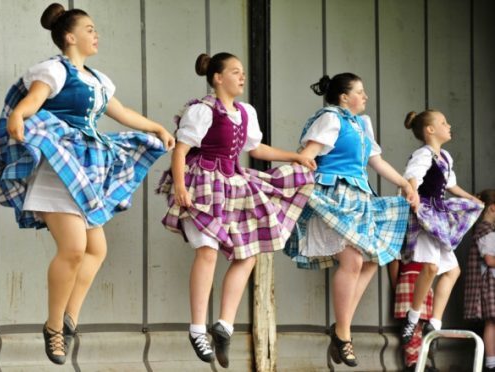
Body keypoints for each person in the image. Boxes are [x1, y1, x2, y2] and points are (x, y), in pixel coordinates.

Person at [0, 3, 174, 365]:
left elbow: (122, 112)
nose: (95, 33)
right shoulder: (54, 70)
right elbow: (33, 100)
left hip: (86, 170)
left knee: (96, 250)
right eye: (89, 29)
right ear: (69, 37)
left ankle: (69, 318)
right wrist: (19, 117)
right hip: (59, 167)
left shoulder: (99, 80)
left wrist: (156, 127)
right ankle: (54, 327)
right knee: (73, 248)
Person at [157, 52, 315, 368]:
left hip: (233, 184)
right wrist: (179, 186)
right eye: (234, 71)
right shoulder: (201, 111)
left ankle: (224, 325)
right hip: (201, 183)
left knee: (249, 253)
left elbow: (255, 149)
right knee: (207, 252)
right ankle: (197, 329)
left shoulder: (245, 112)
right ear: (217, 78)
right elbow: (181, 150)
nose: (241, 77)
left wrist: (293, 157)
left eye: (242, 72)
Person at [283, 73, 417, 368]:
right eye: (360, 91)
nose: (365, 96)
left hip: (359, 197)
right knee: (354, 261)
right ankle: (343, 334)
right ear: (344, 97)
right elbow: (308, 155)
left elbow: (376, 162)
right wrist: (293, 184)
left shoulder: (360, 124)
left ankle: (341, 328)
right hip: (335, 196)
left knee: (372, 259)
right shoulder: (330, 119)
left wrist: (406, 184)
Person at [400, 110, 483, 347]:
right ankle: (413, 317)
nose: (449, 125)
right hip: (425, 212)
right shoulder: (423, 153)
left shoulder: (445, 156)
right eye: (443, 122)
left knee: (452, 271)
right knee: (431, 266)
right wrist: (413, 194)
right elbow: (413, 176)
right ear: (430, 130)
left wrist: (473, 199)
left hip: (439, 214)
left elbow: (452, 185)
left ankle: (434, 323)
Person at [464, 189, 495, 372]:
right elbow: (490, 259)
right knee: (492, 321)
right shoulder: (486, 230)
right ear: (492, 208)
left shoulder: (484, 230)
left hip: (489, 282)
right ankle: (491, 363)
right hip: (489, 283)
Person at [391, 259, 437, 372]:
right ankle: (413, 363)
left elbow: (394, 262)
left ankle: (416, 363)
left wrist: (395, 284)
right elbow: (394, 260)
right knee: (414, 327)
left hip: (421, 278)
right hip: (416, 277)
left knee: (416, 327)